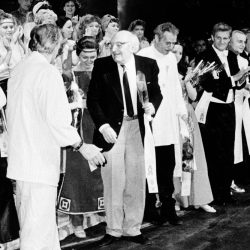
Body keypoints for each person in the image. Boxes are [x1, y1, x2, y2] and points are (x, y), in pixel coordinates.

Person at [6, 23, 105, 250]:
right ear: (55, 45)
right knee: (37, 230)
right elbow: (58, 120)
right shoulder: (47, 72)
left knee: (37, 225)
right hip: (38, 161)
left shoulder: (20, 68)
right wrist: (82, 145)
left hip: (23, 160)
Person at [87, 30, 162, 246]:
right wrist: (102, 126)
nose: (115, 49)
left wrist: (152, 105)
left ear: (133, 46)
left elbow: (156, 93)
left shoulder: (148, 65)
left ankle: (132, 228)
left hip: (138, 127)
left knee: (136, 180)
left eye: (120, 44)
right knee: (113, 179)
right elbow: (93, 99)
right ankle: (113, 229)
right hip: (112, 129)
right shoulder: (102, 65)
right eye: (112, 44)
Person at [138, 22, 187, 225]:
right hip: (150, 120)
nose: (170, 47)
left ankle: (168, 208)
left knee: (167, 166)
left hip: (168, 122)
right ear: (156, 38)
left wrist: (182, 114)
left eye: (173, 43)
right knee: (150, 165)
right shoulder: (143, 55)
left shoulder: (170, 58)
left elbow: (175, 89)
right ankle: (150, 210)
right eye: (167, 42)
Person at [195, 23, 250, 206]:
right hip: (212, 109)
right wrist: (234, 79)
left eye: (226, 38)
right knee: (214, 152)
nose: (222, 41)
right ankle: (214, 194)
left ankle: (225, 192)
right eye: (219, 38)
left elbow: (236, 83)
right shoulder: (205, 56)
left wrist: (242, 78)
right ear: (212, 37)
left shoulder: (232, 56)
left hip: (229, 107)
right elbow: (211, 85)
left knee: (228, 151)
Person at [57, 36, 105, 240]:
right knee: (76, 175)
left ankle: (98, 214)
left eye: (93, 57)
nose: (89, 60)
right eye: (85, 56)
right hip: (79, 128)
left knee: (98, 175)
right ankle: (76, 221)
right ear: (78, 54)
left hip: (99, 127)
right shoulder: (69, 76)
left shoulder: (103, 72)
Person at [172, 42, 215, 213]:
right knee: (176, 158)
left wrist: (187, 81)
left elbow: (193, 95)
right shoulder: (161, 71)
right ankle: (176, 198)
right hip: (172, 117)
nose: (177, 54)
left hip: (187, 117)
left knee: (191, 156)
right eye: (174, 51)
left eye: (180, 52)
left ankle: (199, 198)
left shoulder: (184, 73)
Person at [228, 30, 250, 192]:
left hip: (243, 104)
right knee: (232, 143)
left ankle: (239, 177)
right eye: (239, 41)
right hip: (230, 105)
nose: (242, 44)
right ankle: (229, 181)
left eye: (244, 41)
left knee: (243, 141)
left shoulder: (243, 59)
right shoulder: (226, 59)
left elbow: (243, 84)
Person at [0, 11, 25, 96]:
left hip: (17, 85)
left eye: (11, 27)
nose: (9, 30)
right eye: (5, 27)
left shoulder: (15, 43)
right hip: (3, 88)